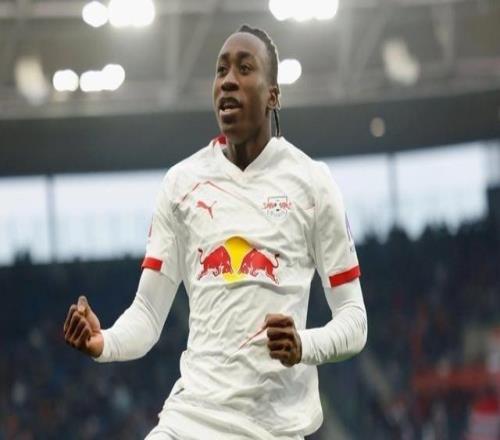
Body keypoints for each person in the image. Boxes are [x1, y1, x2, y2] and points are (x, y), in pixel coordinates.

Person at [63, 24, 368, 440]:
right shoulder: (181, 184)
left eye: (245, 68)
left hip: (270, 429)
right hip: (190, 417)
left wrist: (304, 345)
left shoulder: (313, 184)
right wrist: (105, 342)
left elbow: (354, 320)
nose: (228, 80)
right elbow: (148, 312)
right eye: (221, 70)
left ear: (273, 95)